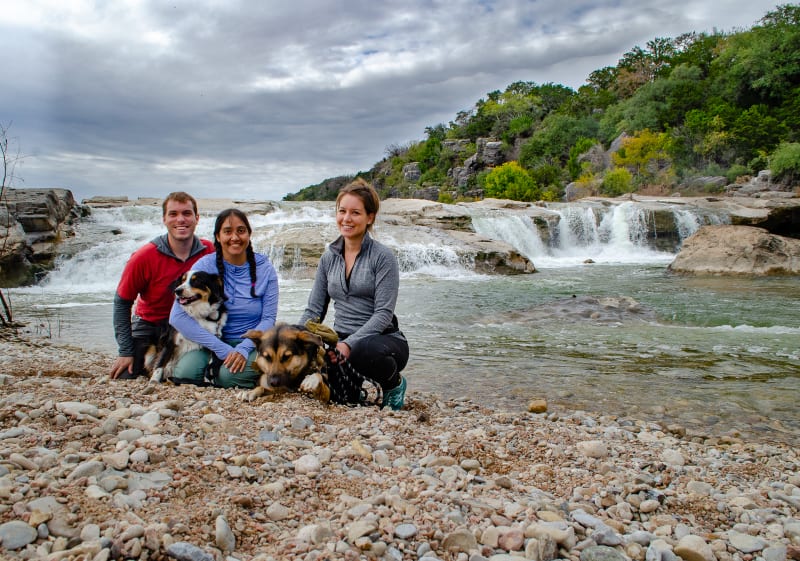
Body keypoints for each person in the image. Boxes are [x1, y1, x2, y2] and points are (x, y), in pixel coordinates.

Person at [299, 178, 409, 410]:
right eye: (342, 211)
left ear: (370, 217)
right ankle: (355, 389)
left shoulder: (383, 257)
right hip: (340, 342)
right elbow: (314, 310)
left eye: (355, 213)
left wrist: (349, 344)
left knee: (363, 349)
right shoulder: (328, 257)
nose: (347, 219)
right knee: (339, 398)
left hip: (383, 341)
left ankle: (394, 384)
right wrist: (296, 336)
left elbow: (383, 314)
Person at [168, 208, 279, 388]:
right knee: (186, 374)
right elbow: (177, 317)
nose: (235, 237)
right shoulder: (205, 265)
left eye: (241, 231)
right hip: (212, 340)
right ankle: (216, 371)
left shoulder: (265, 268)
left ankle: (226, 374)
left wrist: (243, 349)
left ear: (249, 234)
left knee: (228, 378)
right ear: (218, 237)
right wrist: (223, 350)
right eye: (227, 231)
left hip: (251, 342)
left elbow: (268, 319)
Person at [110, 192, 214, 380]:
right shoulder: (143, 257)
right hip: (151, 324)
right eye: (173, 214)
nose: (180, 219)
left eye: (187, 213)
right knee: (127, 375)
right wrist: (125, 351)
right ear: (164, 219)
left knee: (189, 375)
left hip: (191, 323)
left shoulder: (209, 252)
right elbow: (122, 302)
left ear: (197, 218)